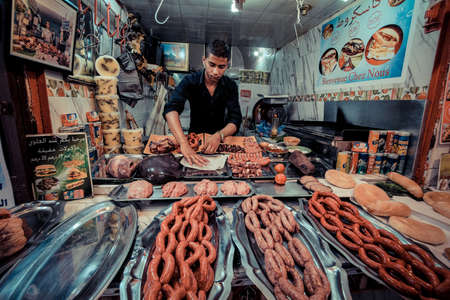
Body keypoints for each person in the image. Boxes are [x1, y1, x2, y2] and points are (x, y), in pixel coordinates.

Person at [163, 40, 242, 166]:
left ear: (227, 65)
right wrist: (183, 143)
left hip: (220, 141)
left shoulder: (230, 85)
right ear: (204, 60)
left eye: (221, 67)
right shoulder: (190, 81)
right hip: (194, 142)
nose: (216, 72)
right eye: (212, 64)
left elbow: (235, 118)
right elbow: (171, 109)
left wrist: (219, 135)